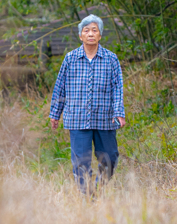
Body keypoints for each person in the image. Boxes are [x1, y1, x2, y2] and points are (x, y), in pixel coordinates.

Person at [49, 14, 125, 192]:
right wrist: (55, 114)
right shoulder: (70, 59)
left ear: (100, 35)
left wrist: (118, 111)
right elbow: (60, 87)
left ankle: (98, 190)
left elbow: (117, 87)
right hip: (77, 117)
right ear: (80, 35)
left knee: (110, 157)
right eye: (86, 30)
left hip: (105, 118)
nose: (90, 34)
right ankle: (86, 198)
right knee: (81, 163)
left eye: (94, 30)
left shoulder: (111, 59)